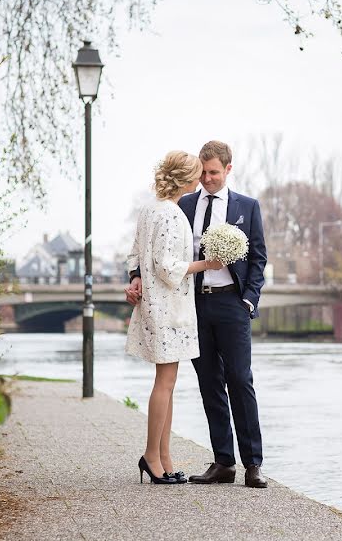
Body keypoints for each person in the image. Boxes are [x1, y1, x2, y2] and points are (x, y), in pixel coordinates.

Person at [126, 140, 269, 488]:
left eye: (214, 172)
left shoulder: (247, 207)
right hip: (193, 306)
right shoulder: (181, 205)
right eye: (203, 172)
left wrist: (249, 300)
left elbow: (259, 258)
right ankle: (223, 462)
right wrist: (135, 277)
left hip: (232, 304)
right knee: (209, 384)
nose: (208, 178)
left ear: (228, 170)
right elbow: (150, 249)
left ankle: (253, 464)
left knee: (240, 380)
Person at [124, 150, 224, 485]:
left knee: (166, 383)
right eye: (197, 174)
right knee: (165, 384)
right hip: (169, 309)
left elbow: (136, 254)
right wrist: (205, 265)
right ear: (185, 179)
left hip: (158, 308)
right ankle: (152, 456)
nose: (201, 180)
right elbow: (168, 269)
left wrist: (135, 277)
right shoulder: (171, 214)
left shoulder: (150, 209)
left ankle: (164, 458)